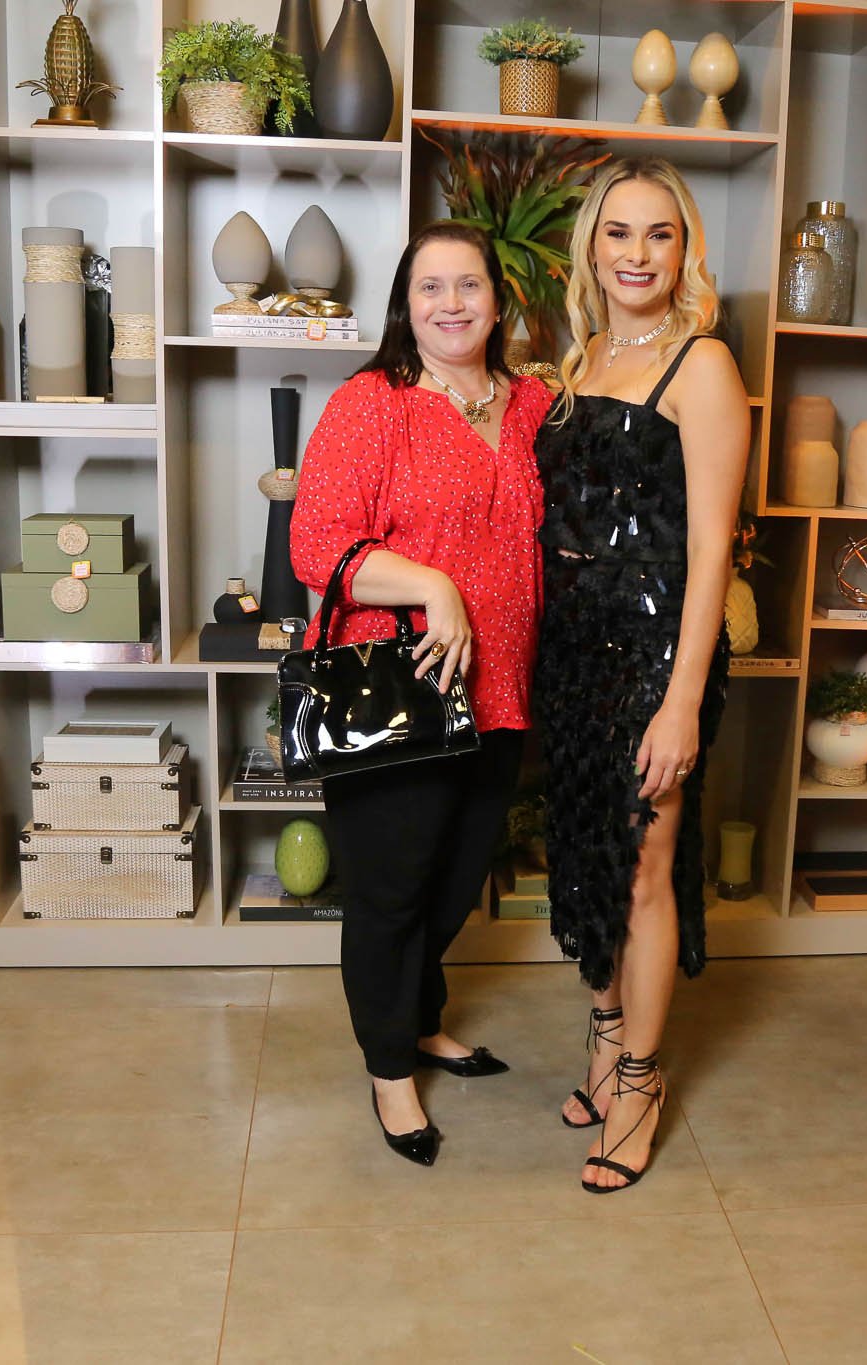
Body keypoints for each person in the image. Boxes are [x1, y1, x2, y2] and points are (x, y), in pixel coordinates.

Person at [291, 222, 553, 1168]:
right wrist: (433, 584)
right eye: (430, 287)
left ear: (497, 299)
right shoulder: (374, 403)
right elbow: (317, 545)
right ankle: (390, 1067)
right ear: (406, 304)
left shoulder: (532, 405)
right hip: (399, 693)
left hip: (501, 691)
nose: (451, 303)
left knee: (451, 884)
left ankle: (422, 1019)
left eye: (468, 284)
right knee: (392, 890)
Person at [534, 159, 748, 1192]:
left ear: (683, 250)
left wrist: (680, 701)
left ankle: (641, 1080)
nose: (636, 253)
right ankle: (607, 1033)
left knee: (643, 867)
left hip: (656, 647)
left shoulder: (702, 365)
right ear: (592, 247)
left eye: (658, 234)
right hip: (573, 650)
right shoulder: (580, 359)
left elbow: (711, 551)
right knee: (587, 856)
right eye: (617, 232)